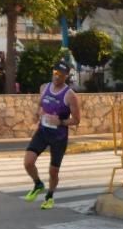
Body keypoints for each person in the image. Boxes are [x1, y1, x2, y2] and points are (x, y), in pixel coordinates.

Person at [23, 60, 81, 210]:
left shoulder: (70, 95)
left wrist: (60, 122)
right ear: (52, 72)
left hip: (59, 137)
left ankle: (49, 196)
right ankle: (38, 184)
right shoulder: (44, 87)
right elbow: (39, 105)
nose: (57, 77)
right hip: (42, 132)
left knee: (53, 171)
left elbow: (76, 120)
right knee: (28, 162)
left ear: (66, 76)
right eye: (55, 73)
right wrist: (37, 114)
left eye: (61, 75)